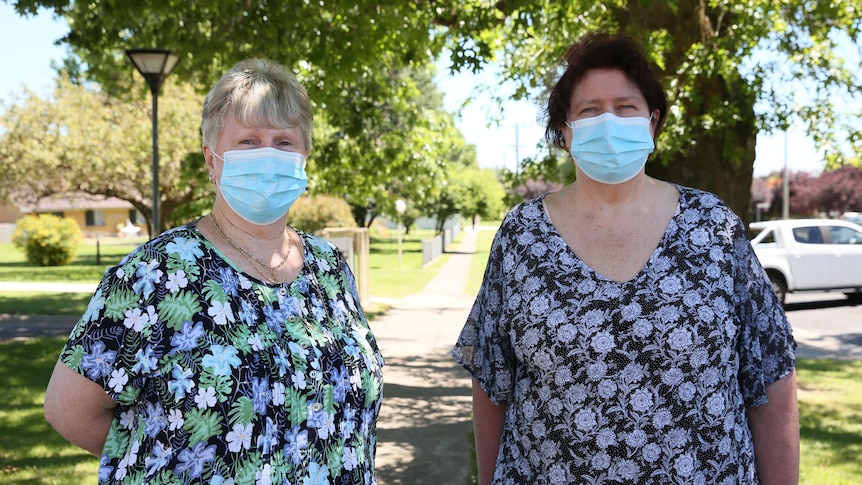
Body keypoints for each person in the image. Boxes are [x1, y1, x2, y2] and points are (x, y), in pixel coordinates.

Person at [452, 32, 798, 484]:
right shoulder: (522, 236)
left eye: (626, 106)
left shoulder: (713, 227)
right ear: (565, 130)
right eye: (589, 110)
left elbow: (772, 379)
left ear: (652, 122)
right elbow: (492, 382)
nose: (609, 121)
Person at [44, 58, 384, 484]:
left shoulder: (330, 267)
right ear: (211, 159)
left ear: (304, 157)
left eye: (284, 141)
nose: (267, 155)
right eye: (248, 141)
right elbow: (68, 411)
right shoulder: (155, 275)